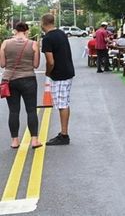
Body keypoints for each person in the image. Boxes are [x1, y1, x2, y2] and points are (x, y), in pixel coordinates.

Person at [0, 22, 42, 149]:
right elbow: (36, 65)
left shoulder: (5, 44)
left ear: (14, 30)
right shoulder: (33, 44)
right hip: (28, 79)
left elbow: (2, 64)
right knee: (31, 110)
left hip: (9, 80)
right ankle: (34, 140)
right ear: (27, 31)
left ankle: (14, 141)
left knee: (13, 111)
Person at [41, 13, 76, 146]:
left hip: (59, 74)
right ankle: (63, 132)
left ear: (43, 23)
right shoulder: (61, 33)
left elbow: (50, 61)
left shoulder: (47, 39)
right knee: (64, 101)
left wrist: (48, 72)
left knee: (62, 104)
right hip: (68, 70)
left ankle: (64, 134)